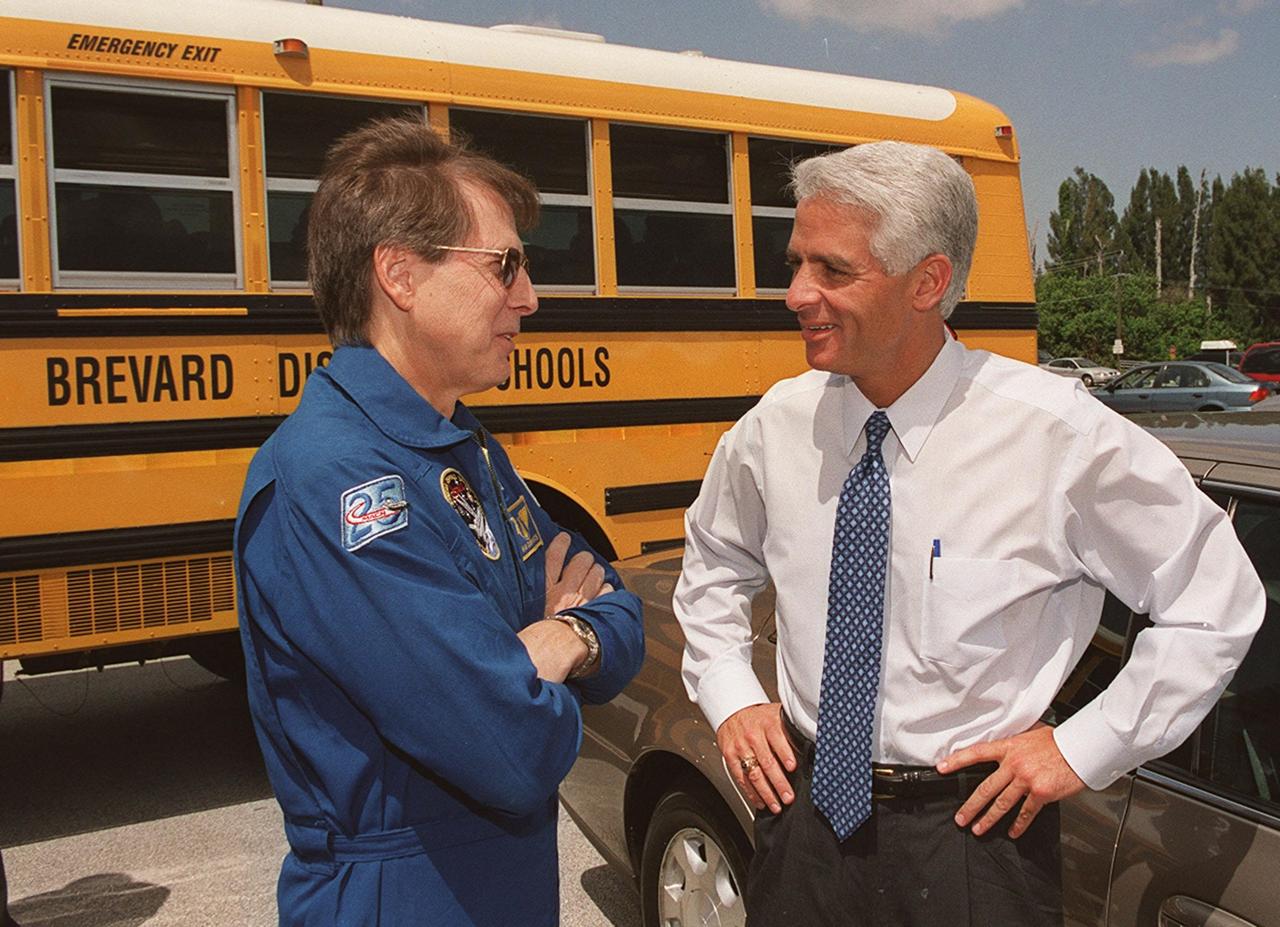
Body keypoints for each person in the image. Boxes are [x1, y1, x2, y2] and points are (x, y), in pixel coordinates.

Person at [674, 141, 1263, 925]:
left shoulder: (1058, 439)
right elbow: (714, 563)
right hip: (801, 824)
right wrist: (730, 693)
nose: (796, 293)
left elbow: (1216, 602)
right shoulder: (775, 428)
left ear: (929, 281)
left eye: (831, 269)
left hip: (972, 843)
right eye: (795, 263)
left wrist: (1080, 747)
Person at [234, 116, 645, 927]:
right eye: (505, 265)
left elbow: (617, 610)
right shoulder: (334, 478)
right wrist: (526, 666)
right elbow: (508, 747)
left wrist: (563, 639)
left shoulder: (464, 448)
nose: (529, 296)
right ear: (400, 275)